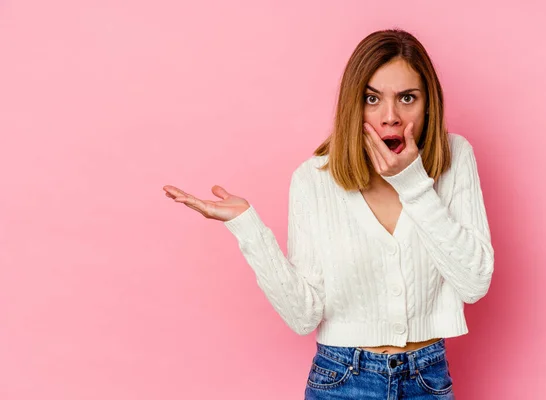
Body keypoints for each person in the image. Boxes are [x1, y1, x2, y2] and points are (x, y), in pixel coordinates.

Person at [163, 29, 494, 399]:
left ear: (428, 103)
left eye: (407, 98)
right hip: (342, 380)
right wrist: (249, 229)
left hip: (427, 379)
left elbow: (474, 283)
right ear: (353, 103)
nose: (390, 117)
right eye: (372, 98)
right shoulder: (313, 180)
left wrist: (414, 183)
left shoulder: (454, 157)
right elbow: (304, 316)